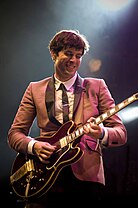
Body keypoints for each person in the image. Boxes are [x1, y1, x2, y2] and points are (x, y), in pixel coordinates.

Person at [7, 29, 127, 208]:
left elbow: (120, 133)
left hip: (86, 177)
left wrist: (101, 132)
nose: (74, 61)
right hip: (44, 175)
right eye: (68, 54)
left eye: (78, 56)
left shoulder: (97, 86)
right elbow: (15, 134)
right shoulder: (35, 89)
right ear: (53, 54)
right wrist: (34, 146)